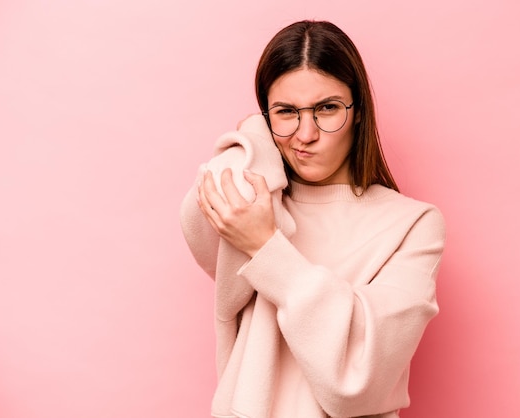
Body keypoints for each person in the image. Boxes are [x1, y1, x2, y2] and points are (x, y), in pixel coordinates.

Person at [180, 20, 446, 418]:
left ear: (358, 111)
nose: (306, 134)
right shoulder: (255, 198)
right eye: (286, 112)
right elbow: (200, 214)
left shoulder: (413, 225)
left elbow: (358, 382)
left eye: (327, 108)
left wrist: (265, 247)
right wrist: (254, 133)